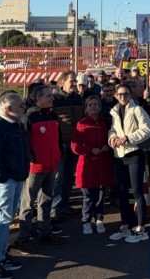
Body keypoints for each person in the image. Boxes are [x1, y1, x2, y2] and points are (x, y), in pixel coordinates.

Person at [0, 92, 31, 279]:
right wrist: (3, 178)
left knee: (7, 220)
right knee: (2, 222)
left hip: (17, 178)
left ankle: (2, 255)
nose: (23, 108)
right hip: (4, 182)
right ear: (8, 109)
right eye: (20, 106)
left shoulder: (17, 124)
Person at [15, 85, 64, 252]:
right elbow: (24, 142)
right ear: (38, 98)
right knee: (28, 203)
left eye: (51, 96)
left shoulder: (52, 115)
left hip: (51, 165)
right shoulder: (30, 117)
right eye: (48, 96)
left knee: (47, 200)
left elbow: (58, 138)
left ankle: (44, 231)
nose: (51, 98)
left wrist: (59, 153)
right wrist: (31, 157)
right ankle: (24, 237)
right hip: (35, 168)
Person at [108, 84, 150, 243]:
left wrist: (128, 138)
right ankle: (126, 224)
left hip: (134, 153)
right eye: (119, 94)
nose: (123, 97)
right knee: (121, 192)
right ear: (115, 95)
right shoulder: (114, 111)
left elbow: (147, 129)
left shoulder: (137, 109)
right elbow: (113, 129)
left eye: (126, 94)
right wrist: (112, 138)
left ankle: (141, 227)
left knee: (136, 191)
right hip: (119, 154)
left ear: (130, 95)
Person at [71, 95, 114, 235]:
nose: (93, 107)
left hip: (103, 163)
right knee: (88, 196)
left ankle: (99, 218)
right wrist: (90, 150)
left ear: (100, 106)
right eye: (90, 105)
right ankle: (86, 220)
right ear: (86, 108)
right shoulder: (81, 124)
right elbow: (75, 146)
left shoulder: (105, 122)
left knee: (101, 194)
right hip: (88, 165)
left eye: (95, 104)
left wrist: (109, 145)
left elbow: (111, 136)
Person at [52, 71, 85, 217]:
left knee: (69, 176)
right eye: (72, 81)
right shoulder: (55, 100)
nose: (74, 83)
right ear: (62, 82)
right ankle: (55, 207)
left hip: (75, 143)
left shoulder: (78, 99)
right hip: (60, 144)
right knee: (58, 177)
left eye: (75, 80)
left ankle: (64, 203)